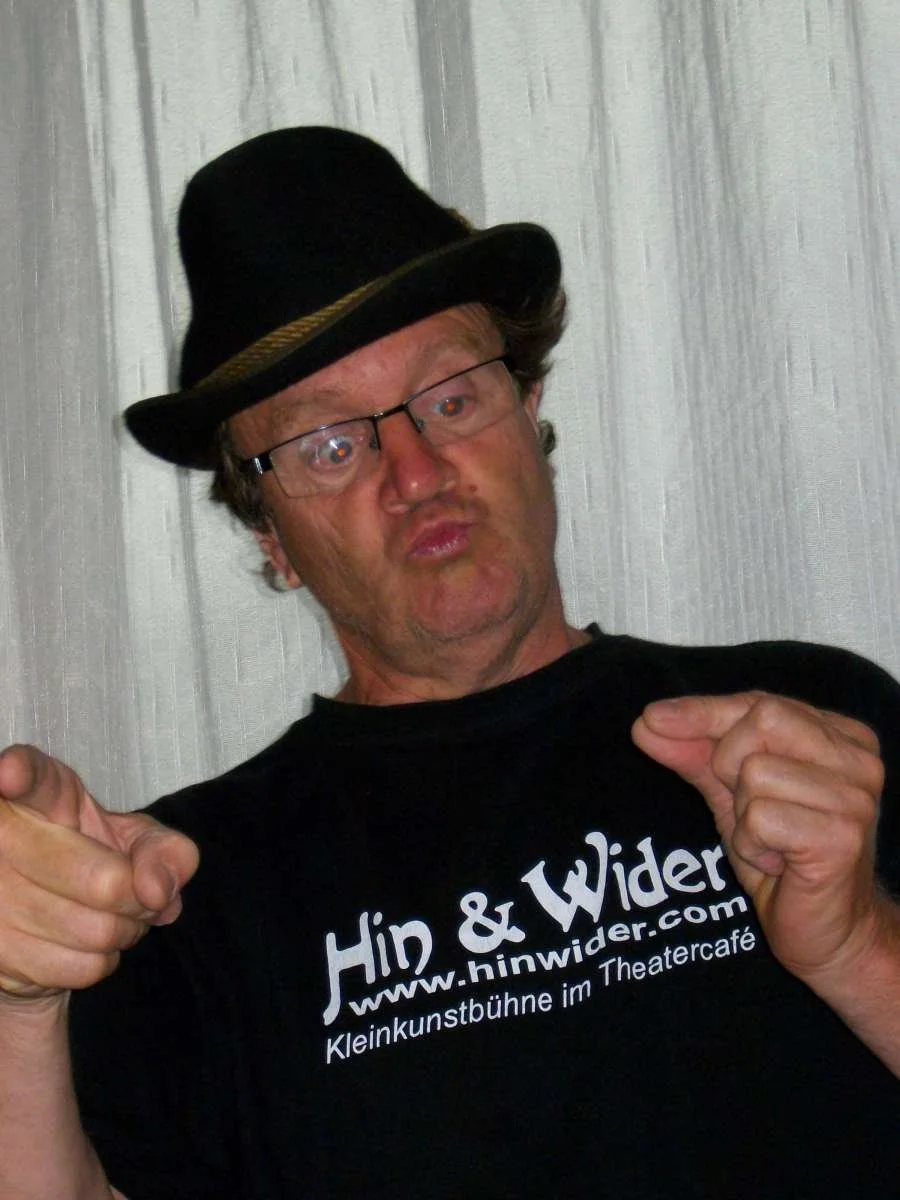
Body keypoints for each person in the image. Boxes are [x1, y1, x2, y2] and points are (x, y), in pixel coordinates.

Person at [1, 126, 899, 1199]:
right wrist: (18, 1004)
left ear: (530, 413)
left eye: (452, 397)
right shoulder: (184, 890)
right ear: (271, 534)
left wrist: (857, 945)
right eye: (330, 445)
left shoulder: (813, 732)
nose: (416, 472)